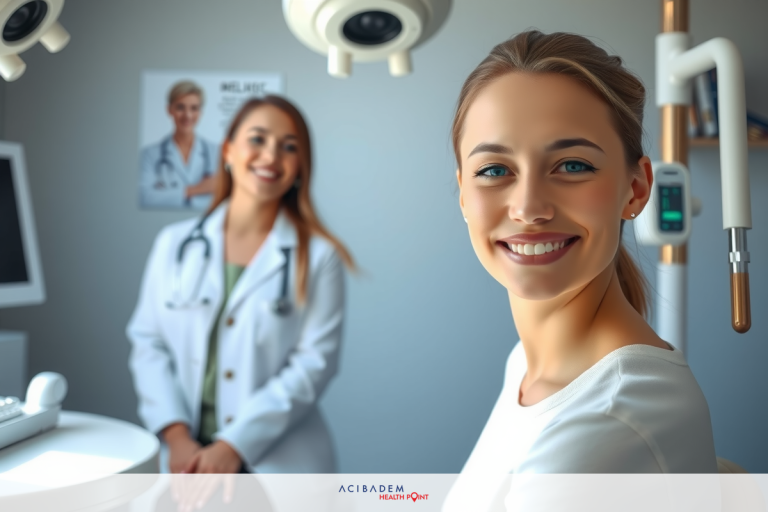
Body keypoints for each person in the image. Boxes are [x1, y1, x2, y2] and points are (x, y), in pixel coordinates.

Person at [443, 30, 717, 510]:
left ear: (634, 189)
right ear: (463, 193)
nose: (529, 208)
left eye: (571, 166)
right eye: (493, 170)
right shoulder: (529, 365)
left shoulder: (611, 421)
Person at [127, 95, 355, 474]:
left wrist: (232, 446)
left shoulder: (319, 257)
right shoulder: (174, 244)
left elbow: (313, 366)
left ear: (301, 166)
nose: (270, 156)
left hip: (278, 467)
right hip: (185, 461)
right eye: (257, 139)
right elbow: (148, 344)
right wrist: (176, 435)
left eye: (289, 147)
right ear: (228, 151)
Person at [139, 80, 220, 210]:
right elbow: (144, 197)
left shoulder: (216, 152)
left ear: (200, 112)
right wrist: (196, 189)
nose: (187, 115)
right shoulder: (150, 154)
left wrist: (167, 195)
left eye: (194, 108)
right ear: (169, 110)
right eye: (180, 107)